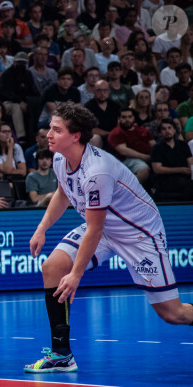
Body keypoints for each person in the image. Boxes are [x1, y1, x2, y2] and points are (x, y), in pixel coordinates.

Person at [25, 101, 193, 374]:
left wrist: (76, 274)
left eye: (56, 129)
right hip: (103, 227)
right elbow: (63, 192)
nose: (48, 134)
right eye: (50, 128)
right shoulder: (60, 157)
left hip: (139, 235)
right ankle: (61, 354)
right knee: (53, 267)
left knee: (173, 314)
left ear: (75, 135)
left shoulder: (97, 171)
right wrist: (41, 228)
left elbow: (95, 230)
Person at [150, 119, 193, 201]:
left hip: (184, 178)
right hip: (165, 180)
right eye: (164, 129)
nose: (167, 131)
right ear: (160, 132)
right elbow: (157, 169)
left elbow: (190, 162)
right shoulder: (157, 148)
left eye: (169, 128)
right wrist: (180, 170)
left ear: (174, 130)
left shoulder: (183, 145)